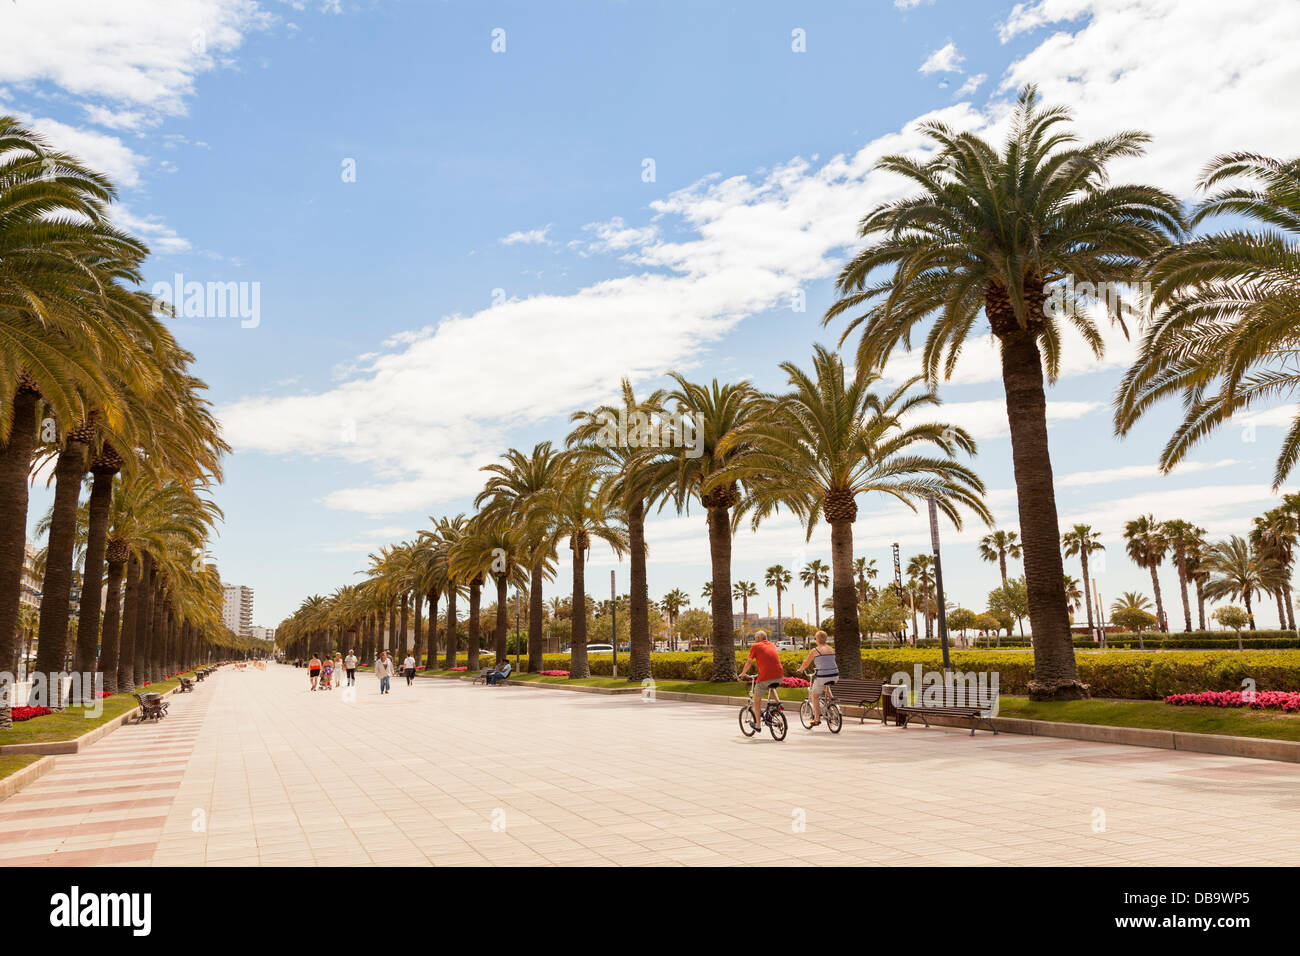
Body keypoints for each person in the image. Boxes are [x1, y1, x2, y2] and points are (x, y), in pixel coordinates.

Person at [737, 630, 783, 733]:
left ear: (758, 638)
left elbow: (749, 662)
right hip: (779, 676)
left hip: (766, 676)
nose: (754, 639)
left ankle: (758, 725)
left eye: (754, 637)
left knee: (757, 701)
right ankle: (778, 703)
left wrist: (743, 673)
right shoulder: (772, 644)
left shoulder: (756, 646)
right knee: (770, 687)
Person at [797, 630, 837, 726]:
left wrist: (801, 669)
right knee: (824, 683)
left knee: (814, 696)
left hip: (823, 676)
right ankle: (831, 698)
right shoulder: (831, 649)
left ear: (817, 640)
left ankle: (817, 719)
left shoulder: (815, 650)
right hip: (835, 675)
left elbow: (806, 662)